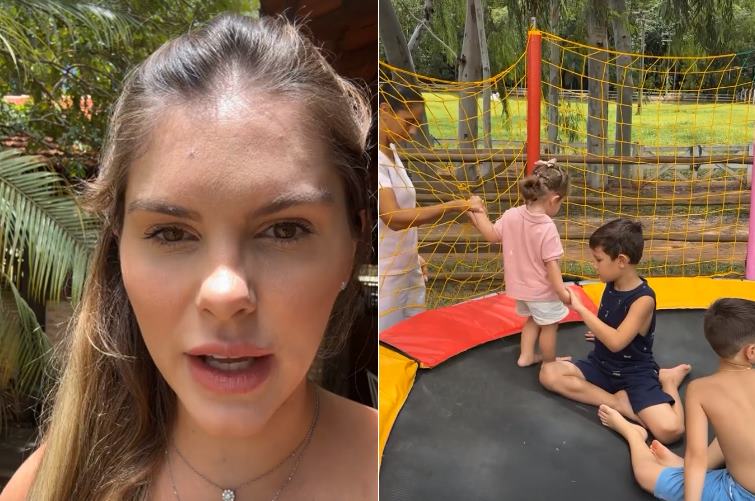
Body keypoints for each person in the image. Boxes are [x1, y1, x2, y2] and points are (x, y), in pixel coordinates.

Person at [2, 14, 376, 501]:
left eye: (285, 230)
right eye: (171, 233)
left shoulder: (407, 468)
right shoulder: (46, 488)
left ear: (353, 245)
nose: (225, 293)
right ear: (118, 251)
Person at [539, 218, 690, 444]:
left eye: (599, 259)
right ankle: (617, 402)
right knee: (548, 373)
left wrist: (581, 308)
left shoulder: (643, 299)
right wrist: (602, 334)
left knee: (671, 431)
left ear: (621, 261)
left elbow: (617, 342)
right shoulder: (612, 284)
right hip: (602, 364)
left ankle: (667, 381)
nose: (595, 265)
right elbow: (613, 327)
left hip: (634, 373)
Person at [596, 298, 755, 501]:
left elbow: (696, 459)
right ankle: (635, 435)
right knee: (737, 420)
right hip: (742, 486)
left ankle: (643, 440)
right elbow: (696, 459)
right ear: (751, 351)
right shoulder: (702, 391)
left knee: (646, 473)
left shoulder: (700, 390)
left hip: (741, 491)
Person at [377, 82, 482, 332]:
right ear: (384, 110)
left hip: (408, 269)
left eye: (417, 123)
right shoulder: (374, 158)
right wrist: (452, 206)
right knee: (387, 343)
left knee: (413, 338)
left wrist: (413, 254)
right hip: (385, 276)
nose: (413, 131)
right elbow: (393, 217)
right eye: (408, 121)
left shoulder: (392, 152)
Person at [467, 159, 571, 366]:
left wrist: (477, 212)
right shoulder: (547, 227)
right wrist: (562, 293)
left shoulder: (511, 214)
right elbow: (552, 266)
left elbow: (491, 235)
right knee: (550, 325)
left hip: (520, 289)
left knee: (533, 318)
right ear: (554, 200)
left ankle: (527, 356)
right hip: (542, 291)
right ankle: (550, 364)